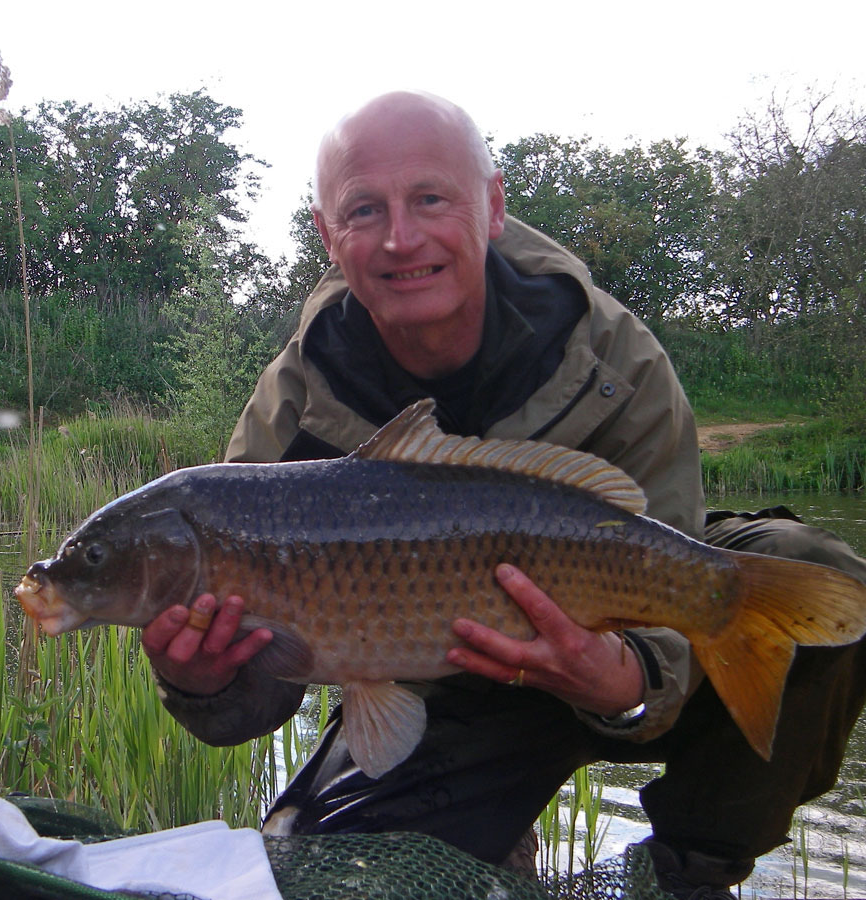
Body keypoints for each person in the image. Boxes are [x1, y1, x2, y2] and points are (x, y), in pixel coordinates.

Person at [139, 91, 866, 898]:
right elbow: (263, 682)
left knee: (803, 572)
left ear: (492, 206)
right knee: (338, 875)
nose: (401, 237)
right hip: (442, 687)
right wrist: (201, 682)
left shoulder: (613, 355)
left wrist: (620, 681)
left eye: (430, 199)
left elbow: (668, 546)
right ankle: (485, 840)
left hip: (614, 633)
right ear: (327, 233)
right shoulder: (296, 398)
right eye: (365, 210)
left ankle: (689, 873)